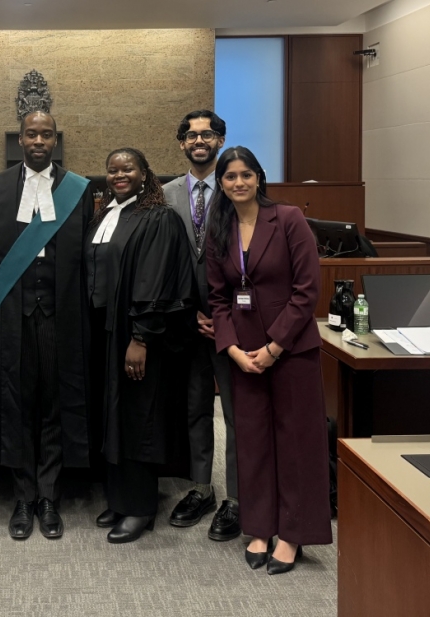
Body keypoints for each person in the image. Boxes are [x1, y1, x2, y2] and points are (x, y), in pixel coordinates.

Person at [205, 146, 332, 574]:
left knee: (295, 442)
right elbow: (218, 298)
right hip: (244, 354)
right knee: (252, 441)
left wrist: (275, 346)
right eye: (230, 177)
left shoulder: (289, 219)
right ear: (221, 184)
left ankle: (293, 533)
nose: (238, 182)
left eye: (246, 174)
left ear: (258, 177)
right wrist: (232, 349)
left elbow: (306, 291)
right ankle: (259, 527)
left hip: (291, 350)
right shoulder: (218, 229)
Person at [0, 111, 94, 540]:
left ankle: (48, 495)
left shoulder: (77, 189)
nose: (38, 141)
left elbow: (87, 256)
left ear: (55, 141)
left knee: (54, 404)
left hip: (59, 316)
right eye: (31, 134)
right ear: (20, 140)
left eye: (46, 135)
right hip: (14, 317)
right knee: (18, 406)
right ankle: (22, 495)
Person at [86, 148, 197, 543]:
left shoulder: (158, 217)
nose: (119, 175)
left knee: (138, 418)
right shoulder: (107, 215)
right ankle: (120, 498)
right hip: (106, 332)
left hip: (135, 333)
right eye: (112, 169)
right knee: (114, 416)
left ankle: (140, 508)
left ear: (145, 174)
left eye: (128, 169)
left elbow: (154, 281)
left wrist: (141, 337)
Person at [162, 110, 241, 541]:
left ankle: (238, 498)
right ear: (181, 143)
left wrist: (223, 315)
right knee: (195, 408)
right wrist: (189, 310)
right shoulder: (166, 193)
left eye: (207, 134)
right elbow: (163, 260)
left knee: (235, 411)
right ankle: (201, 488)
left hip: (234, 323)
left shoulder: (237, 187)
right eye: (191, 135)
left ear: (220, 139)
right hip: (187, 322)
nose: (199, 141)